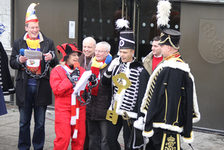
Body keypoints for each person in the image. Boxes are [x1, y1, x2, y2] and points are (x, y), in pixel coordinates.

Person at [136, 28, 200, 150]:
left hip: (166, 126)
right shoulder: (170, 65)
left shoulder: (174, 69)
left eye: (162, 46)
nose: (160, 48)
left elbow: (171, 100)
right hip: (161, 125)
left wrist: (156, 119)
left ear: (169, 48)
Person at [10, 3, 58, 150]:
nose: (35, 30)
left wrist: (51, 58)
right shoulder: (19, 42)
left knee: (41, 123)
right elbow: (12, 62)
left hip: (41, 88)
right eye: (31, 27)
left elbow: (55, 63)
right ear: (26, 28)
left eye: (36, 27)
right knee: (23, 123)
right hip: (24, 87)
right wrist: (19, 60)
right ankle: (23, 147)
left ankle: (38, 147)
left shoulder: (48, 42)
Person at [102, 19, 150, 150]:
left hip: (131, 115)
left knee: (130, 145)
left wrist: (141, 117)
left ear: (132, 52)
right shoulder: (117, 66)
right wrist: (110, 68)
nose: (122, 55)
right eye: (120, 52)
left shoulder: (141, 71)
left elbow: (143, 96)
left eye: (125, 52)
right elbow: (105, 83)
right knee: (110, 140)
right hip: (114, 111)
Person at [50, 43, 93, 150]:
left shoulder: (81, 70)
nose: (76, 57)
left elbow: (86, 88)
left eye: (77, 55)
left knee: (79, 139)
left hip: (79, 109)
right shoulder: (57, 70)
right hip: (63, 110)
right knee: (63, 139)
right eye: (73, 55)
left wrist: (92, 82)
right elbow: (57, 90)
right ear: (66, 56)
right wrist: (70, 80)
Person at [86, 41, 112, 150]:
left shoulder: (111, 66)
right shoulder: (91, 64)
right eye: (96, 50)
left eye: (100, 51)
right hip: (91, 107)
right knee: (92, 137)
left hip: (104, 108)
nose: (97, 53)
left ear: (107, 53)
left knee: (105, 140)